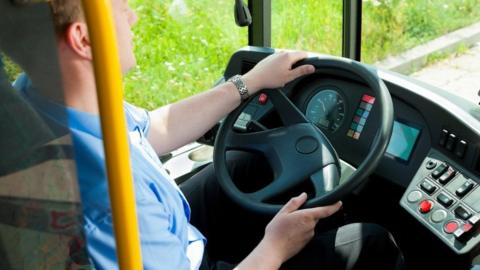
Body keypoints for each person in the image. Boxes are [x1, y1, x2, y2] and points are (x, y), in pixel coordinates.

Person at [15, 0, 405, 269]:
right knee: (370, 244)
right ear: (84, 39)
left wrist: (249, 82)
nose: (132, 17)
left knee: (247, 166)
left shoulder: (43, 96)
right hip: (183, 256)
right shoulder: (111, 196)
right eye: (121, 9)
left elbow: (152, 129)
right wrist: (274, 247)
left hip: (171, 234)